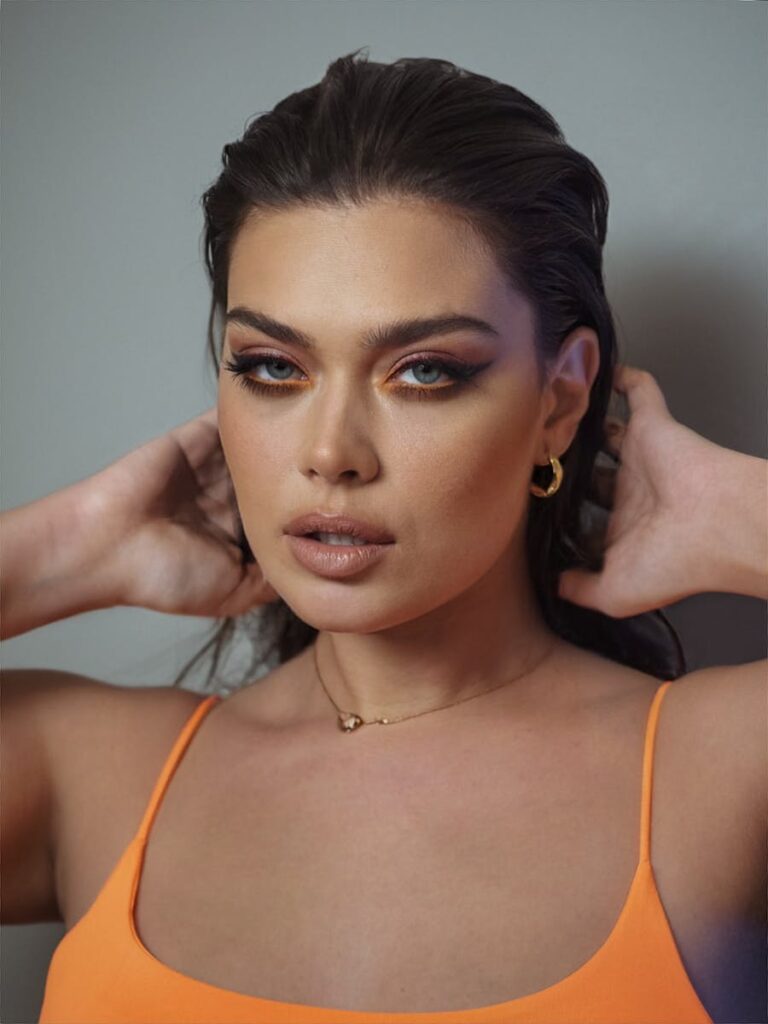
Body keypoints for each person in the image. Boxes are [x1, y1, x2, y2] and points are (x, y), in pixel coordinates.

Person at [2, 49, 765, 1024]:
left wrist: (738, 514)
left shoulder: (723, 769)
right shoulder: (94, 774)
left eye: (425, 371)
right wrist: (65, 547)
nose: (330, 453)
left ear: (560, 397)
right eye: (273, 366)